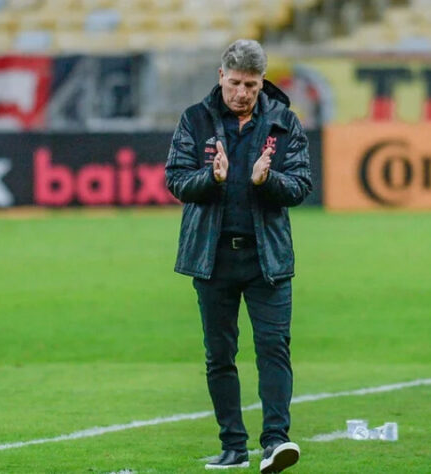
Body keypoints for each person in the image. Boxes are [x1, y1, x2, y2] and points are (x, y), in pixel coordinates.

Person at [165, 39, 312, 472]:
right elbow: (175, 180)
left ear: (262, 81)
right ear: (220, 77)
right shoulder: (194, 120)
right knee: (219, 355)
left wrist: (268, 182)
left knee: (273, 348)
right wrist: (211, 178)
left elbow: (301, 185)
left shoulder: (285, 122)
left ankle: (275, 442)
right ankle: (232, 446)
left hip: (267, 259)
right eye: (234, 83)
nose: (242, 92)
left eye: (250, 84)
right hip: (211, 260)